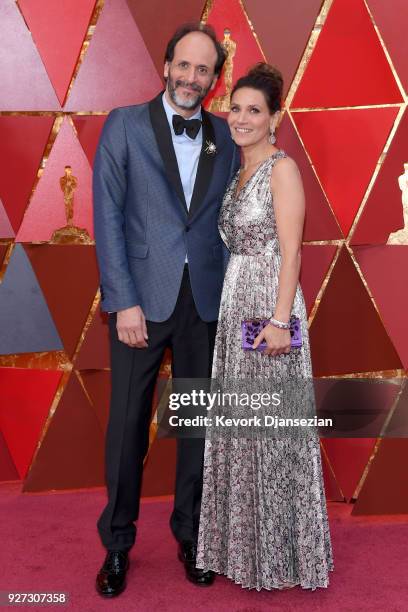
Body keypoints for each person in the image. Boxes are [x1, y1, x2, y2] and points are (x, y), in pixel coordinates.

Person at [93, 23, 239, 597]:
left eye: (204, 70)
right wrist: (122, 301)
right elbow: (107, 217)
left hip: (203, 301)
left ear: (214, 79)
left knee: (197, 427)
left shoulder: (225, 137)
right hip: (140, 304)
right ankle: (117, 545)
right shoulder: (124, 125)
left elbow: (225, 220)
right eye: (184, 65)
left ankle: (192, 536)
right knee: (128, 427)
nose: (191, 78)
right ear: (166, 63)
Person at [196, 63, 334, 590]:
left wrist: (280, 322)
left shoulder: (283, 169)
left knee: (274, 434)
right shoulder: (236, 176)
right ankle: (246, 551)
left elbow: (292, 251)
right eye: (236, 108)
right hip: (237, 307)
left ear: (275, 118)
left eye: (255, 110)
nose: (242, 118)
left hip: (271, 309)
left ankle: (285, 557)